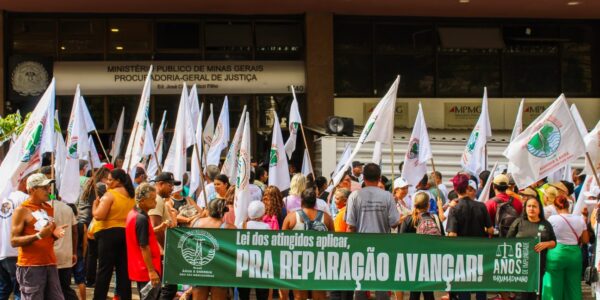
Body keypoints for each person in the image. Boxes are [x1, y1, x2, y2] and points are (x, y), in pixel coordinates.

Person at [345, 163, 399, 300]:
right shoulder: (387, 196)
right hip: (383, 247)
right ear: (379, 178)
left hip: (360, 247)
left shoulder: (354, 196)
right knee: (382, 284)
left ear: (363, 177)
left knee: (360, 284)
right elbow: (394, 223)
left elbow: (350, 226)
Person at [11, 174, 67, 300]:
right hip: (30, 266)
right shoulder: (22, 210)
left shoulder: (49, 208)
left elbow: (47, 237)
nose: (48, 190)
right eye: (44, 188)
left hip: (50, 263)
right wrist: (38, 235)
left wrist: (55, 235)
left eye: (48, 187)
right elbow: (14, 241)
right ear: (32, 190)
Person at [446, 173, 493, 300]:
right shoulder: (481, 206)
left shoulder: (454, 209)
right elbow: (491, 230)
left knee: (464, 284)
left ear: (455, 190)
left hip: (462, 253)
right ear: (467, 187)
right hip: (480, 251)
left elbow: (452, 234)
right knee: (480, 283)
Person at [91, 169, 136, 300]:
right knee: (123, 270)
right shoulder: (131, 195)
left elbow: (99, 216)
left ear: (118, 181)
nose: (107, 182)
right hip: (126, 233)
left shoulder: (109, 195)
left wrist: (95, 206)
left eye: (110, 179)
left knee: (105, 270)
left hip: (108, 234)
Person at [282, 188, 333, 300]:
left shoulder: (291, 217)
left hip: (297, 262)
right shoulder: (327, 218)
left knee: (299, 296)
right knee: (320, 296)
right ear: (315, 202)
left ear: (301, 201)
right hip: (320, 263)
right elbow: (334, 242)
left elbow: (282, 242)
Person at [507, 187, 556, 300]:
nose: (531, 209)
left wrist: (547, 244)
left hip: (539, 266)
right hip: (520, 266)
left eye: (534, 206)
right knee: (522, 295)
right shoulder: (518, 223)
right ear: (525, 208)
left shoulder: (546, 224)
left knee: (535, 295)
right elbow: (508, 242)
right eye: (529, 206)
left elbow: (554, 242)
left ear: (539, 209)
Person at [186, 199, 235, 300]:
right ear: (224, 212)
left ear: (208, 209)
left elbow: (189, 242)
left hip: (199, 268)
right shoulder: (230, 228)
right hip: (220, 269)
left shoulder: (195, 222)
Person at [542, 195, 588, 299]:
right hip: (575, 255)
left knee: (553, 285)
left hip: (556, 253)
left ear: (555, 206)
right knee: (574, 286)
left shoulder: (552, 219)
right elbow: (585, 240)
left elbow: (544, 235)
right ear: (568, 206)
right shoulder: (580, 219)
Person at [399, 192, 444, 300]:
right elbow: (442, 239)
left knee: (414, 293)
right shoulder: (435, 219)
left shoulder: (408, 220)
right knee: (429, 293)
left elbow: (400, 242)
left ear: (414, 204)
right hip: (430, 261)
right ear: (428, 205)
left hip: (413, 262)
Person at [126, 183, 162, 300]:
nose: (155, 202)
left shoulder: (133, 214)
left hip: (141, 266)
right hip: (146, 268)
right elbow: (144, 246)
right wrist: (151, 271)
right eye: (152, 199)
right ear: (142, 201)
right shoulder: (141, 218)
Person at [76, 167, 109, 292]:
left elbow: (77, 202)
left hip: (81, 220)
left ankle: (83, 278)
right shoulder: (101, 186)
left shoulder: (88, 184)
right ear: (104, 177)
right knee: (92, 253)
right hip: (91, 221)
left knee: (84, 252)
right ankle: (90, 279)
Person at [147, 172, 179, 300]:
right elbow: (156, 228)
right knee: (167, 288)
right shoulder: (157, 200)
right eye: (170, 185)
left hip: (159, 251)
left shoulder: (159, 199)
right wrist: (166, 250)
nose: (172, 188)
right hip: (159, 252)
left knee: (164, 288)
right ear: (160, 184)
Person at [0, 173, 30, 300]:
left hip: (3, 251)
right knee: (20, 290)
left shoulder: (4, 198)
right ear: (23, 182)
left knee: (4, 288)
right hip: (17, 252)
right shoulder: (25, 199)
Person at [237, 201, 270, 300]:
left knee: (243, 294)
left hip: (244, 265)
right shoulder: (266, 227)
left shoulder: (242, 225)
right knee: (262, 294)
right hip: (261, 266)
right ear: (262, 213)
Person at [52, 190, 78, 300]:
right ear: (58, 195)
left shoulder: (43, 208)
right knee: (65, 286)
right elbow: (75, 231)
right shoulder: (67, 208)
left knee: (53, 288)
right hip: (66, 254)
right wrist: (74, 252)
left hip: (50, 256)